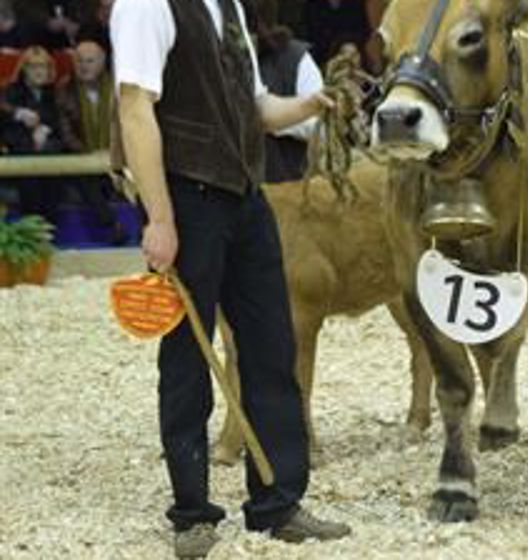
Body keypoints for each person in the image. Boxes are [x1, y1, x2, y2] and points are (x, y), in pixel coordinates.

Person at [110, 0, 350, 557]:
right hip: (187, 198)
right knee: (189, 359)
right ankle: (192, 514)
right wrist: (161, 217)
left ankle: (277, 503)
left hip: (244, 197)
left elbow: (258, 110)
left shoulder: (231, 6)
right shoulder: (145, 5)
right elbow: (134, 108)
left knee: (272, 346)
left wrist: (312, 104)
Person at [57, 39, 127, 244]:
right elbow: (66, 133)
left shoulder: (118, 88)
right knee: (85, 175)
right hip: (82, 157)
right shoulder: (65, 89)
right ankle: (113, 226)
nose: (84, 66)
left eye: (90, 61)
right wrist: (91, 155)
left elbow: (127, 126)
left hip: (115, 156)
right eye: (79, 61)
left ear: (103, 62)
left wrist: (112, 151)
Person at [250, 0, 323, 183]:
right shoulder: (219, 58)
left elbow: (320, 128)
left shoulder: (295, 58)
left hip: (288, 184)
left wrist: (280, 119)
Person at [1, 46, 64, 225]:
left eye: (43, 66)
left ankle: (49, 226)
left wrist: (44, 129)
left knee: (53, 153)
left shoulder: (54, 92)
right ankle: (34, 226)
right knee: (28, 156)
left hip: (48, 152)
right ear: (23, 69)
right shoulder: (10, 90)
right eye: (33, 66)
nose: (38, 71)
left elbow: (61, 122)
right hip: (20, 151)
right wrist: (18, 113)